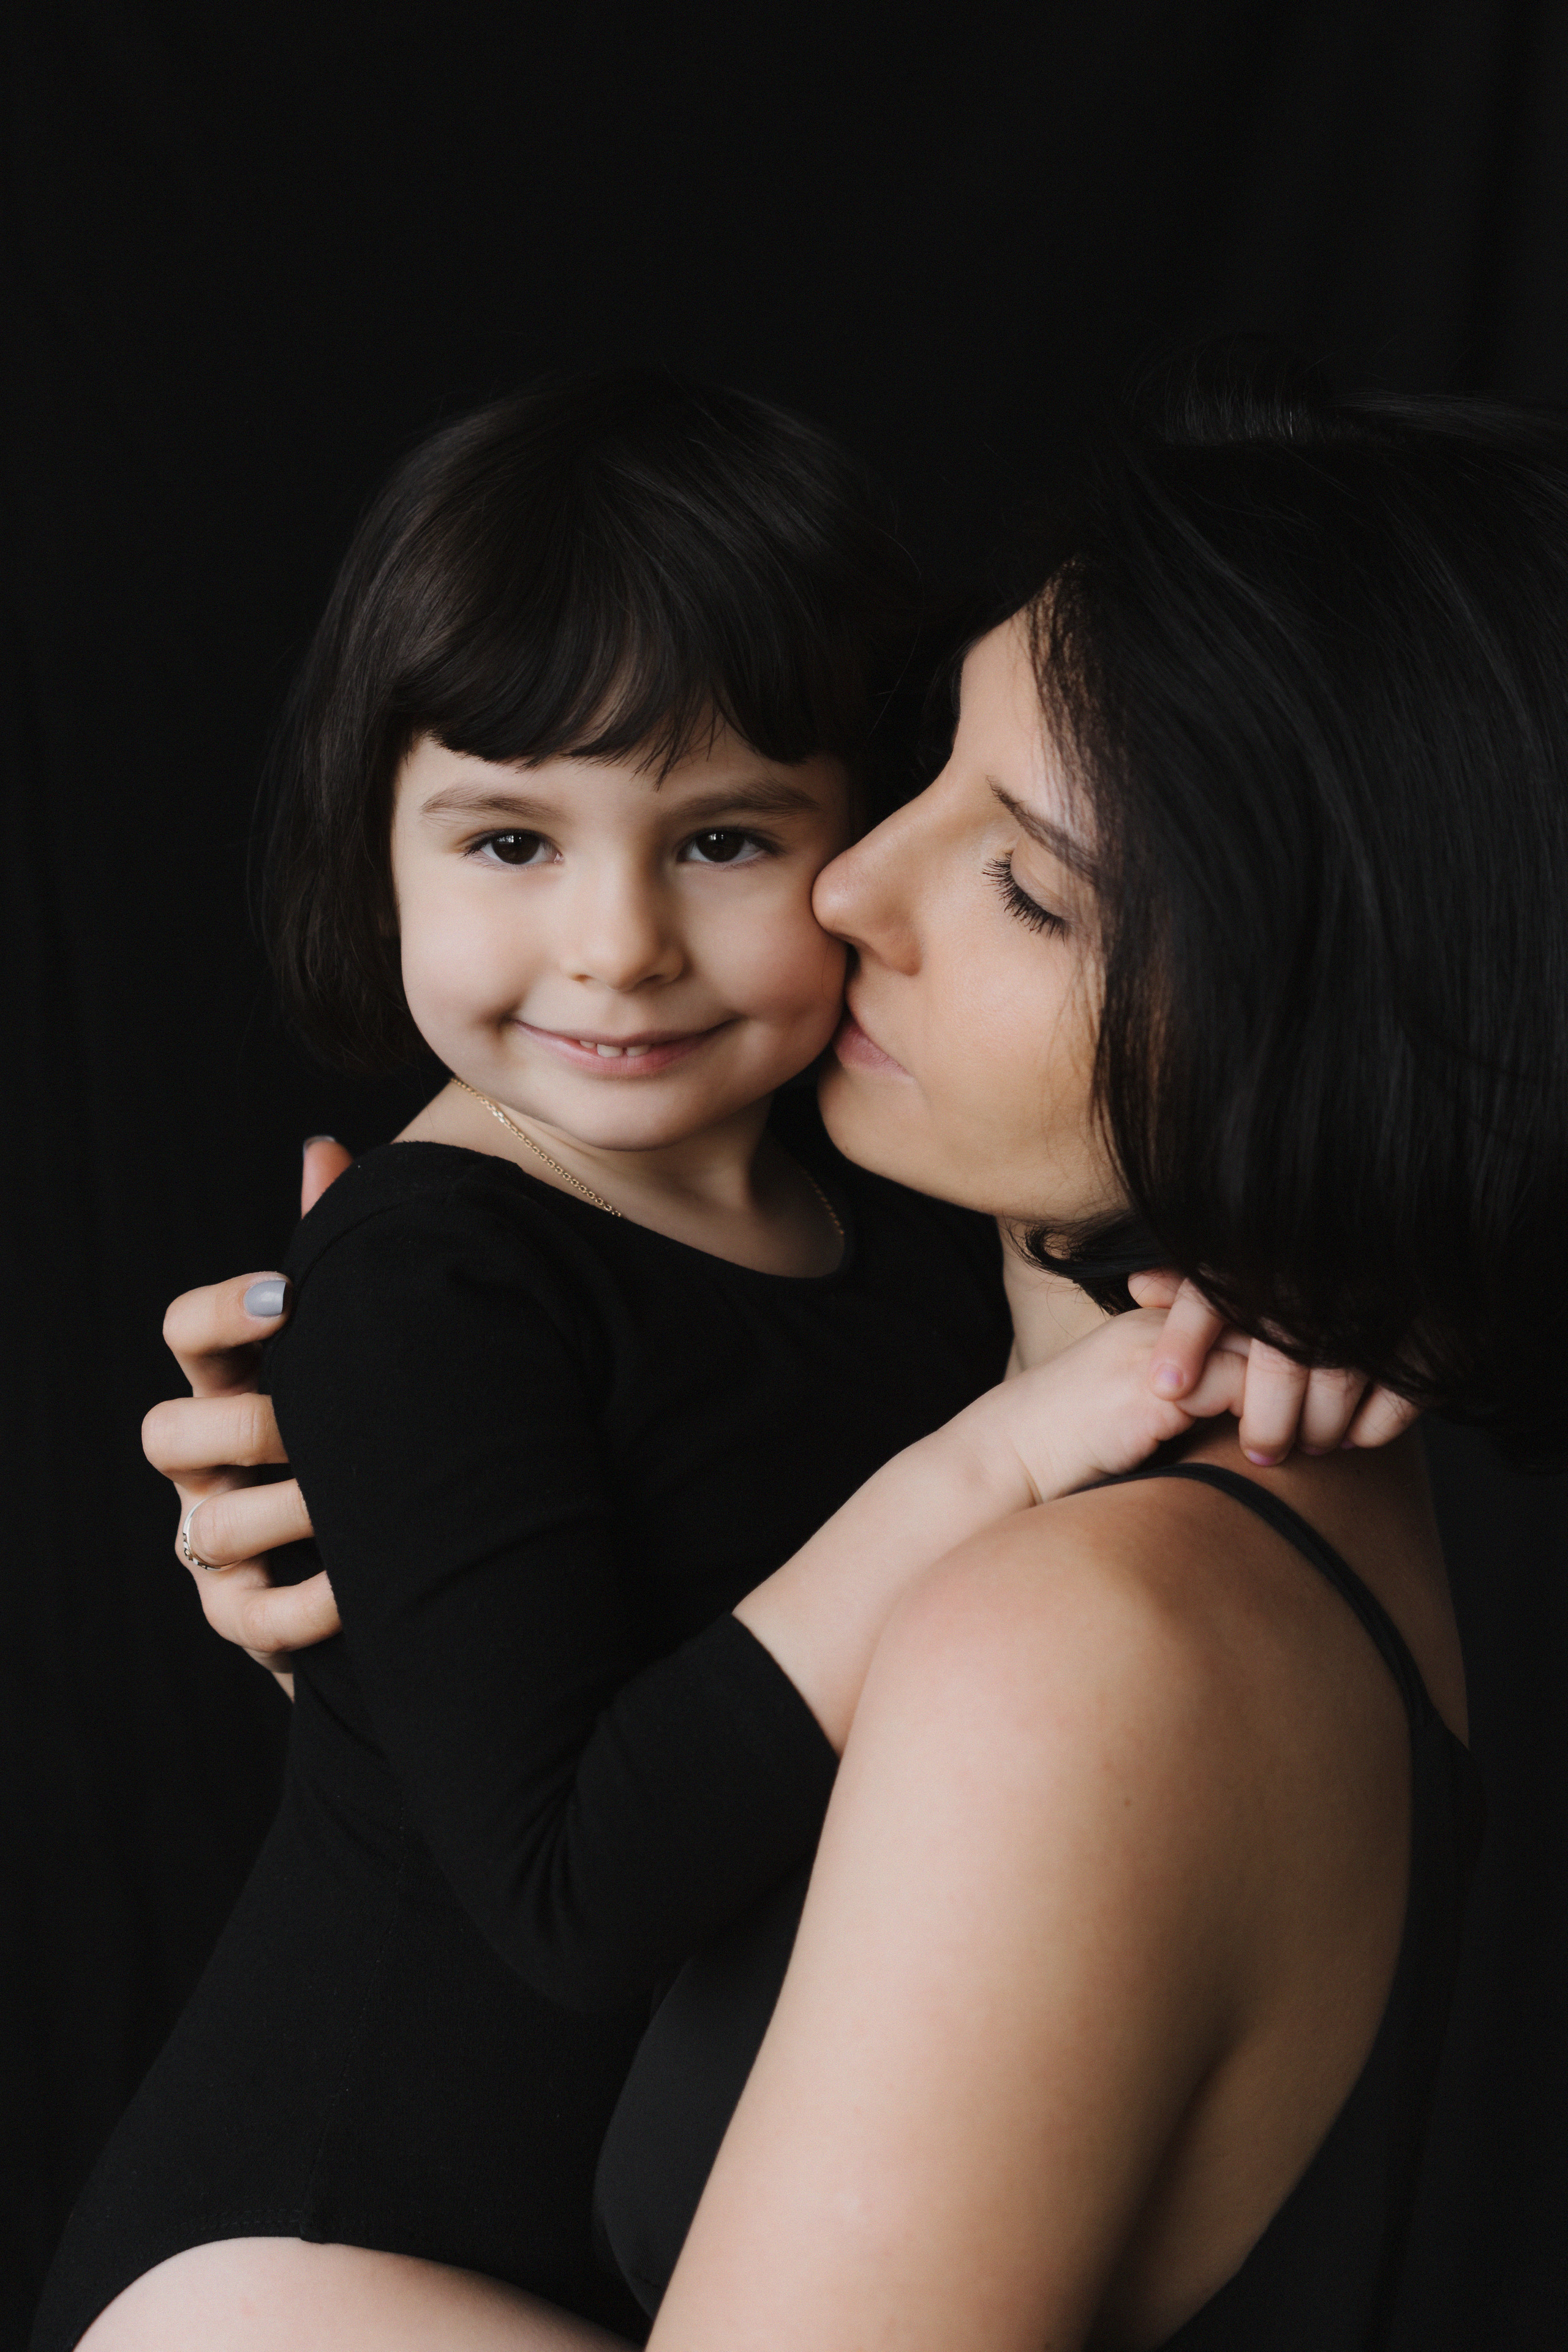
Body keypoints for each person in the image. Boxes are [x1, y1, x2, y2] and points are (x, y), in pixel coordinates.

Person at [34, 368, 1332, 2352]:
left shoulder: (887, 1187)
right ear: (372, 849)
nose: (618, 941)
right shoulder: (422, 1274)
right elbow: (575, 1892)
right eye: (506, 842)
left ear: (859, 826)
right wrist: (995, 1459)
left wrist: (1285, 1310)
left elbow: (1118, 1323)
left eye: (721, 840)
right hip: (311, 2268)